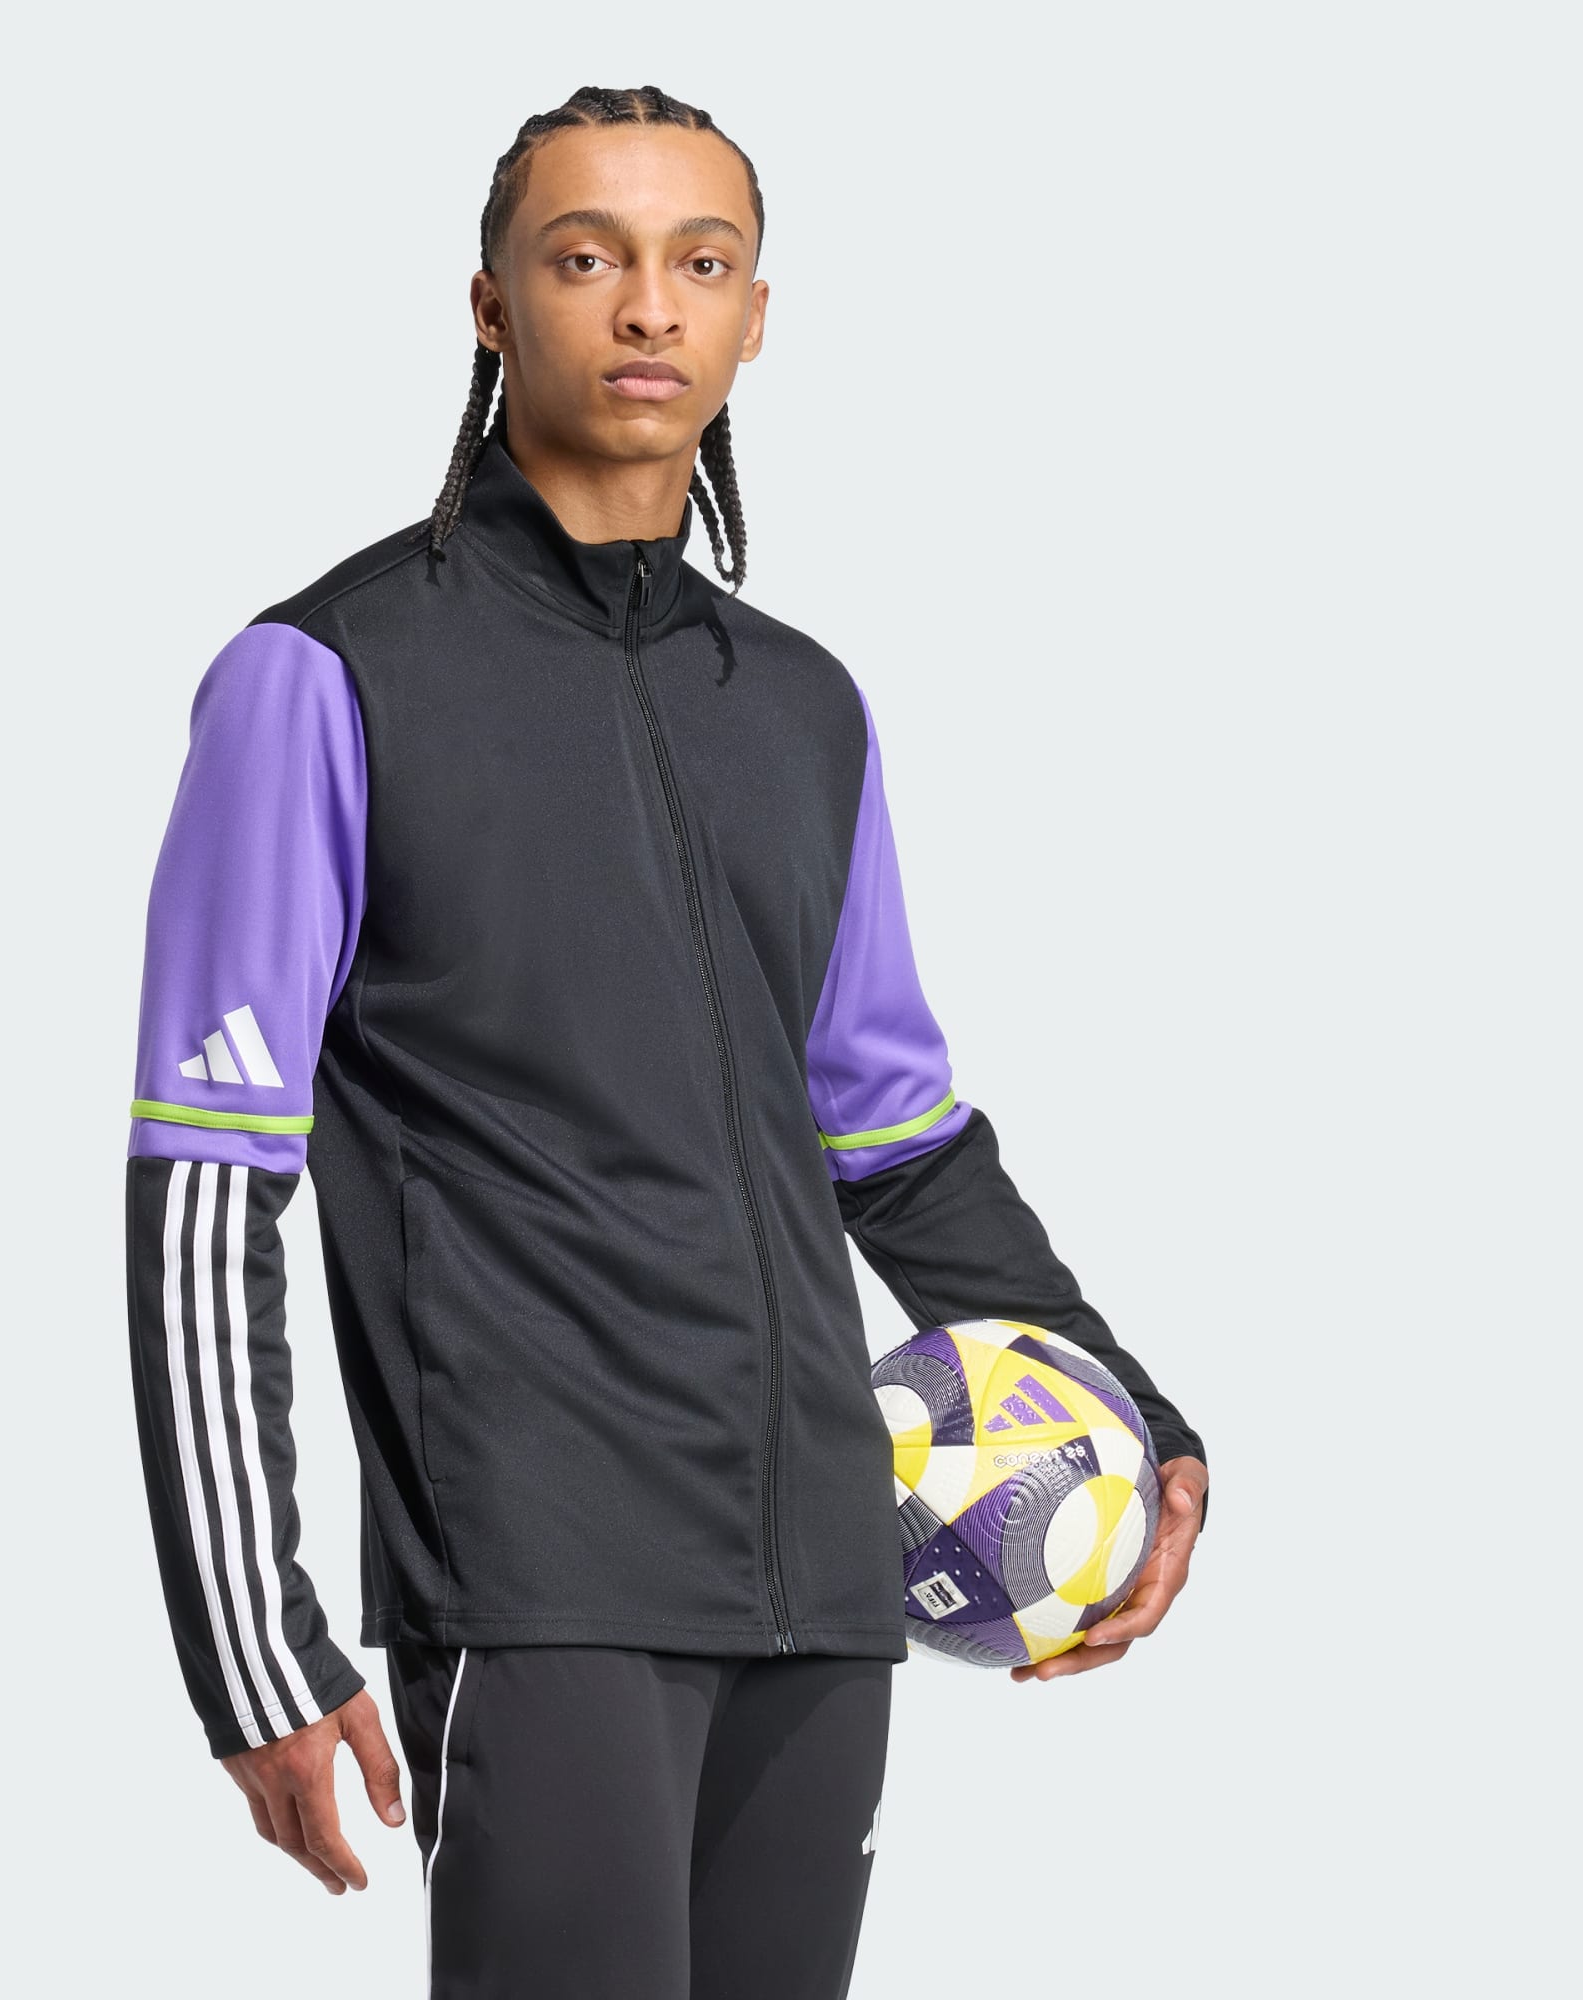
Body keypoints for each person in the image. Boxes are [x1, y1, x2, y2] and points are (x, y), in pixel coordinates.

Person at [123, 83, 1209, 2000]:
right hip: (539, 1577)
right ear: (492, 306)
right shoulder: (325, 678)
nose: (647, 306)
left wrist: (1135, 1415)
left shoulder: (798, 705)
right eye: (587, 257)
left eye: (700, 263)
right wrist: (250, 1646)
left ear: (754, 318)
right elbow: (208, 1191)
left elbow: (897, 1144)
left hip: (831, 1580)